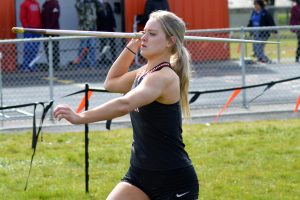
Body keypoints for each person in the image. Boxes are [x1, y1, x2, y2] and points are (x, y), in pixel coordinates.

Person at [54, 10, 199, 200]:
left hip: (172, 178)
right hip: (140, 173)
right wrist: (132, 46)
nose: (144, 37)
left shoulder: (164, 76)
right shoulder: (144, 73)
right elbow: (112, 82)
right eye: (143, 32)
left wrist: (80, 117)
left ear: (170, 41)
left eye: (152, 34)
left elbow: (126, 103)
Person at [20, 0, 42, 72]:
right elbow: (22, 17)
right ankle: (25, 66)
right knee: (28, 48)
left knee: (35, 49)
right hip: (29, 30)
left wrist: (40, 28)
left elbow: (39, 16)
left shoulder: (37, 3)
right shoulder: (24, 4)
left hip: (37, 30)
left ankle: (32, 65)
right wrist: (26, 27)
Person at [74, 0, 98, 68]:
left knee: (92, 46)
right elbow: (78, 8)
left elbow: (96, 12)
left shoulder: (93, 3)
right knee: (83, 46)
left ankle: (93, 64)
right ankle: (81, 64)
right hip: (84, 28)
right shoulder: (80, 3)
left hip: (92, 28)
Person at [41, 0, 60, 69]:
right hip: (45, 31)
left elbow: (55, 17)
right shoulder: (44, 5)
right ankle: (50, 64)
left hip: (54, 31)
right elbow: (42, 17)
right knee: (47, 48)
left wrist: (50, 28)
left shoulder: (54, 4)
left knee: (54, 48)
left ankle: (55, 65)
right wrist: (43, 29)